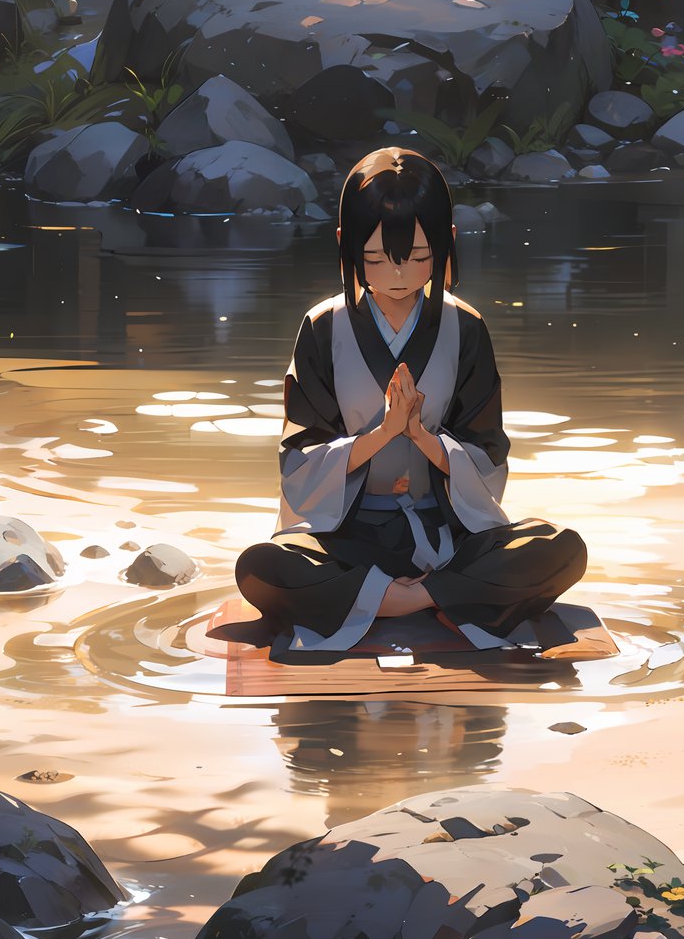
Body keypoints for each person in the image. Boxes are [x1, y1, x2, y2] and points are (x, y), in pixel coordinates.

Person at [235, 146, 587, 656]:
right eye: (376, 258)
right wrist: (382, 434)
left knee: (560, 549)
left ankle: (403, 597)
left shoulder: (465, 326)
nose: (397, 273)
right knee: (262, 566)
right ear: (346, 245)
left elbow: (488, 453)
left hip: (447, 530)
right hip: (350, 532)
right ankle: (441, 601)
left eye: (418, 257)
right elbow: (299, 458)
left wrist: (421, 435)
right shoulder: (323, 327)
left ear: (446, 244)